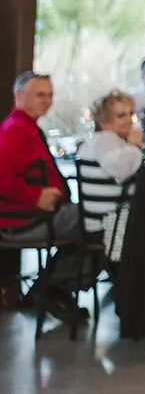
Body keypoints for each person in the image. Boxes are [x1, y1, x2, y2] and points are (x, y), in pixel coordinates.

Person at [0, 72, 91, 325]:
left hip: (35, 216)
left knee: (105, 220)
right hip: (25, 220)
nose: (48, 100)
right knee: (109, 218)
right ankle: (55, 287)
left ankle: (51, 287)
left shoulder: (26, 127)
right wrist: (34, 196)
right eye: (40, 94)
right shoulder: (16, 129)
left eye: (50, 95)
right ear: (19, 96)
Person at [78, 90, 145, 262]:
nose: (129, 120)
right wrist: (134, 146)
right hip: (110, 225)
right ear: (104, 120)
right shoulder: (105, 140)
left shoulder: (107, 141)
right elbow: (121, 170)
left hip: (108, 222)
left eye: (130, 114)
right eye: (121, 116)